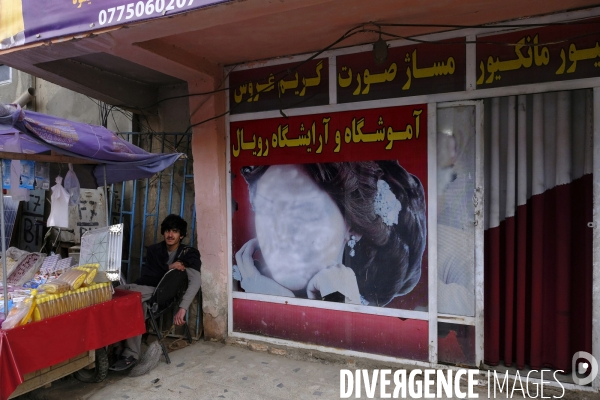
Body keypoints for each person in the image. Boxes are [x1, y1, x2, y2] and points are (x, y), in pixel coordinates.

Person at [233, 161, 426, 307]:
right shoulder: (248, 290)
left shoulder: (367, 319)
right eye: (266, 210)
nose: (280, 234)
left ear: (353, 227)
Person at [109, 214, 201, 371]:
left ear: (182, 235)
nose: (170, 235)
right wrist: (169, 268)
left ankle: (130, 352)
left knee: (131, 301)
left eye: (175, 231)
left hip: (161, 295)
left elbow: (196, 281)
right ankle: (115, 345)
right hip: (143, 288)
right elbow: (147, 276)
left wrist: (183, 308)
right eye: (167, 230)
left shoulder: (188, 254)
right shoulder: (155, 251)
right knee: (112, 295)